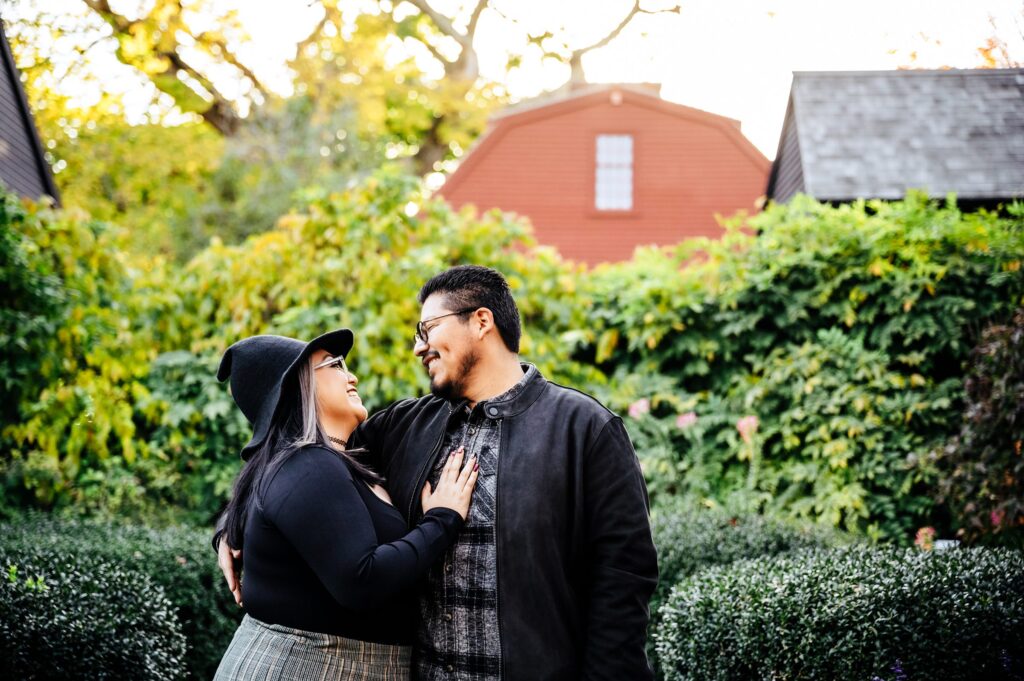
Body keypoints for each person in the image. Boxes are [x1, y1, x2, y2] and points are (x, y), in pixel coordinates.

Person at [217, 265, 659, 681]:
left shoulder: (585, 429)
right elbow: (292, 469)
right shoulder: (401, 428)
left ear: (481, 321)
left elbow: (624, 576)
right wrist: (230, 529)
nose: (417, 347)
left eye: (427, 330)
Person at [212, 329, 478, 681]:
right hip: (308, 667)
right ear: (298, 386)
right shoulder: (308, 464)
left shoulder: (335, 459)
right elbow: (362, 581)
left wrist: (227, 530)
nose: (351, 375)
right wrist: (442, 520)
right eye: (334, 365)